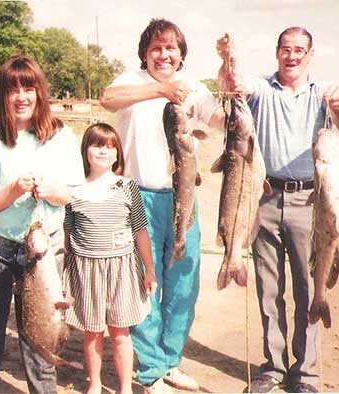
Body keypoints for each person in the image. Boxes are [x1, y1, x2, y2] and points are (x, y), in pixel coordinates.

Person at [216, 27, 339, 393]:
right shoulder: (262, 89)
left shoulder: (323, 93)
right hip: (262, 197)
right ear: (276, 52)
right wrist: (227, 59)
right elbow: (233, 85)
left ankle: (306, 373)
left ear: (310, 54)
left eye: (299, 50)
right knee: (268, 289)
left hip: (310, 201)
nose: (291, 56)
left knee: (308, 288)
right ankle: (273, 367)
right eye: (285, 49)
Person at [100, 18, 225, 394]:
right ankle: (151, 369)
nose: (164, 54)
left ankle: (170, 361)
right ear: (144, 53)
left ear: (181, 54)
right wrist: (158, 91)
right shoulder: (130, 81)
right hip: (136, 196)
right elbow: (107, 100)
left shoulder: (195, 90)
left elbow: (220, 121)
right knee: (143, 281)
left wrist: (229, 93)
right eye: (156, 48)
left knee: (184, 281)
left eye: (171, 48)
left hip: (183, 194)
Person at [0, 55, 85, 393]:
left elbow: (71, 193)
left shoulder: (61, 136)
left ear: (39, 92)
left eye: (28, 88)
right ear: (2, 95)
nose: (21, 97)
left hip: (43, 251)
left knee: (41, 337)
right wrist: (14, 189)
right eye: (12, 89)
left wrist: (52, 192)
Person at [63, 123, 158, 394]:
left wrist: (149, 270)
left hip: (122, 268)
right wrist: (64, 278)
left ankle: (125, 386)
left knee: (120, 332)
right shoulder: (73, 190)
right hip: (85, 269)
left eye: (109, 146)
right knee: (92, 332)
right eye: (96, 145)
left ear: (118, 154)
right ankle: (94, 383)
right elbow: (67, 236)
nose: (103, 151)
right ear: (85, 151)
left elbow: (140, 231)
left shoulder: (127, 187)